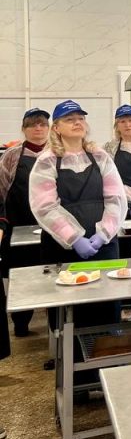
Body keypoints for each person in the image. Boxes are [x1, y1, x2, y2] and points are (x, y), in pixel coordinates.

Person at [29, 100, 128, 380]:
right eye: (69, 119)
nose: (77, 122)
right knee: (70, 314)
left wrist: (104, 233)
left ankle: (106, 378)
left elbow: (116, 198)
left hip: (103, 246)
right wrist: (74, 238)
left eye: (81, 118)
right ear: (56, 128)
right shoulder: (47, 161)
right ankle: (75, 381)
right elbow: (45, 206)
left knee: (105, 309)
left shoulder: (100, 156)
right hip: (62, 249)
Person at [0, 107, 50, 336]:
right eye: (32, 125)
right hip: (19, 225)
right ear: (24, 129)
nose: (38, 128)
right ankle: (21, 323)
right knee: (22, 278)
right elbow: (2, 191)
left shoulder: (57, 152)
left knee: (51, 275)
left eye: (42, 124)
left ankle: (54, 325)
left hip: (51, 227)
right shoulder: (11, 156)